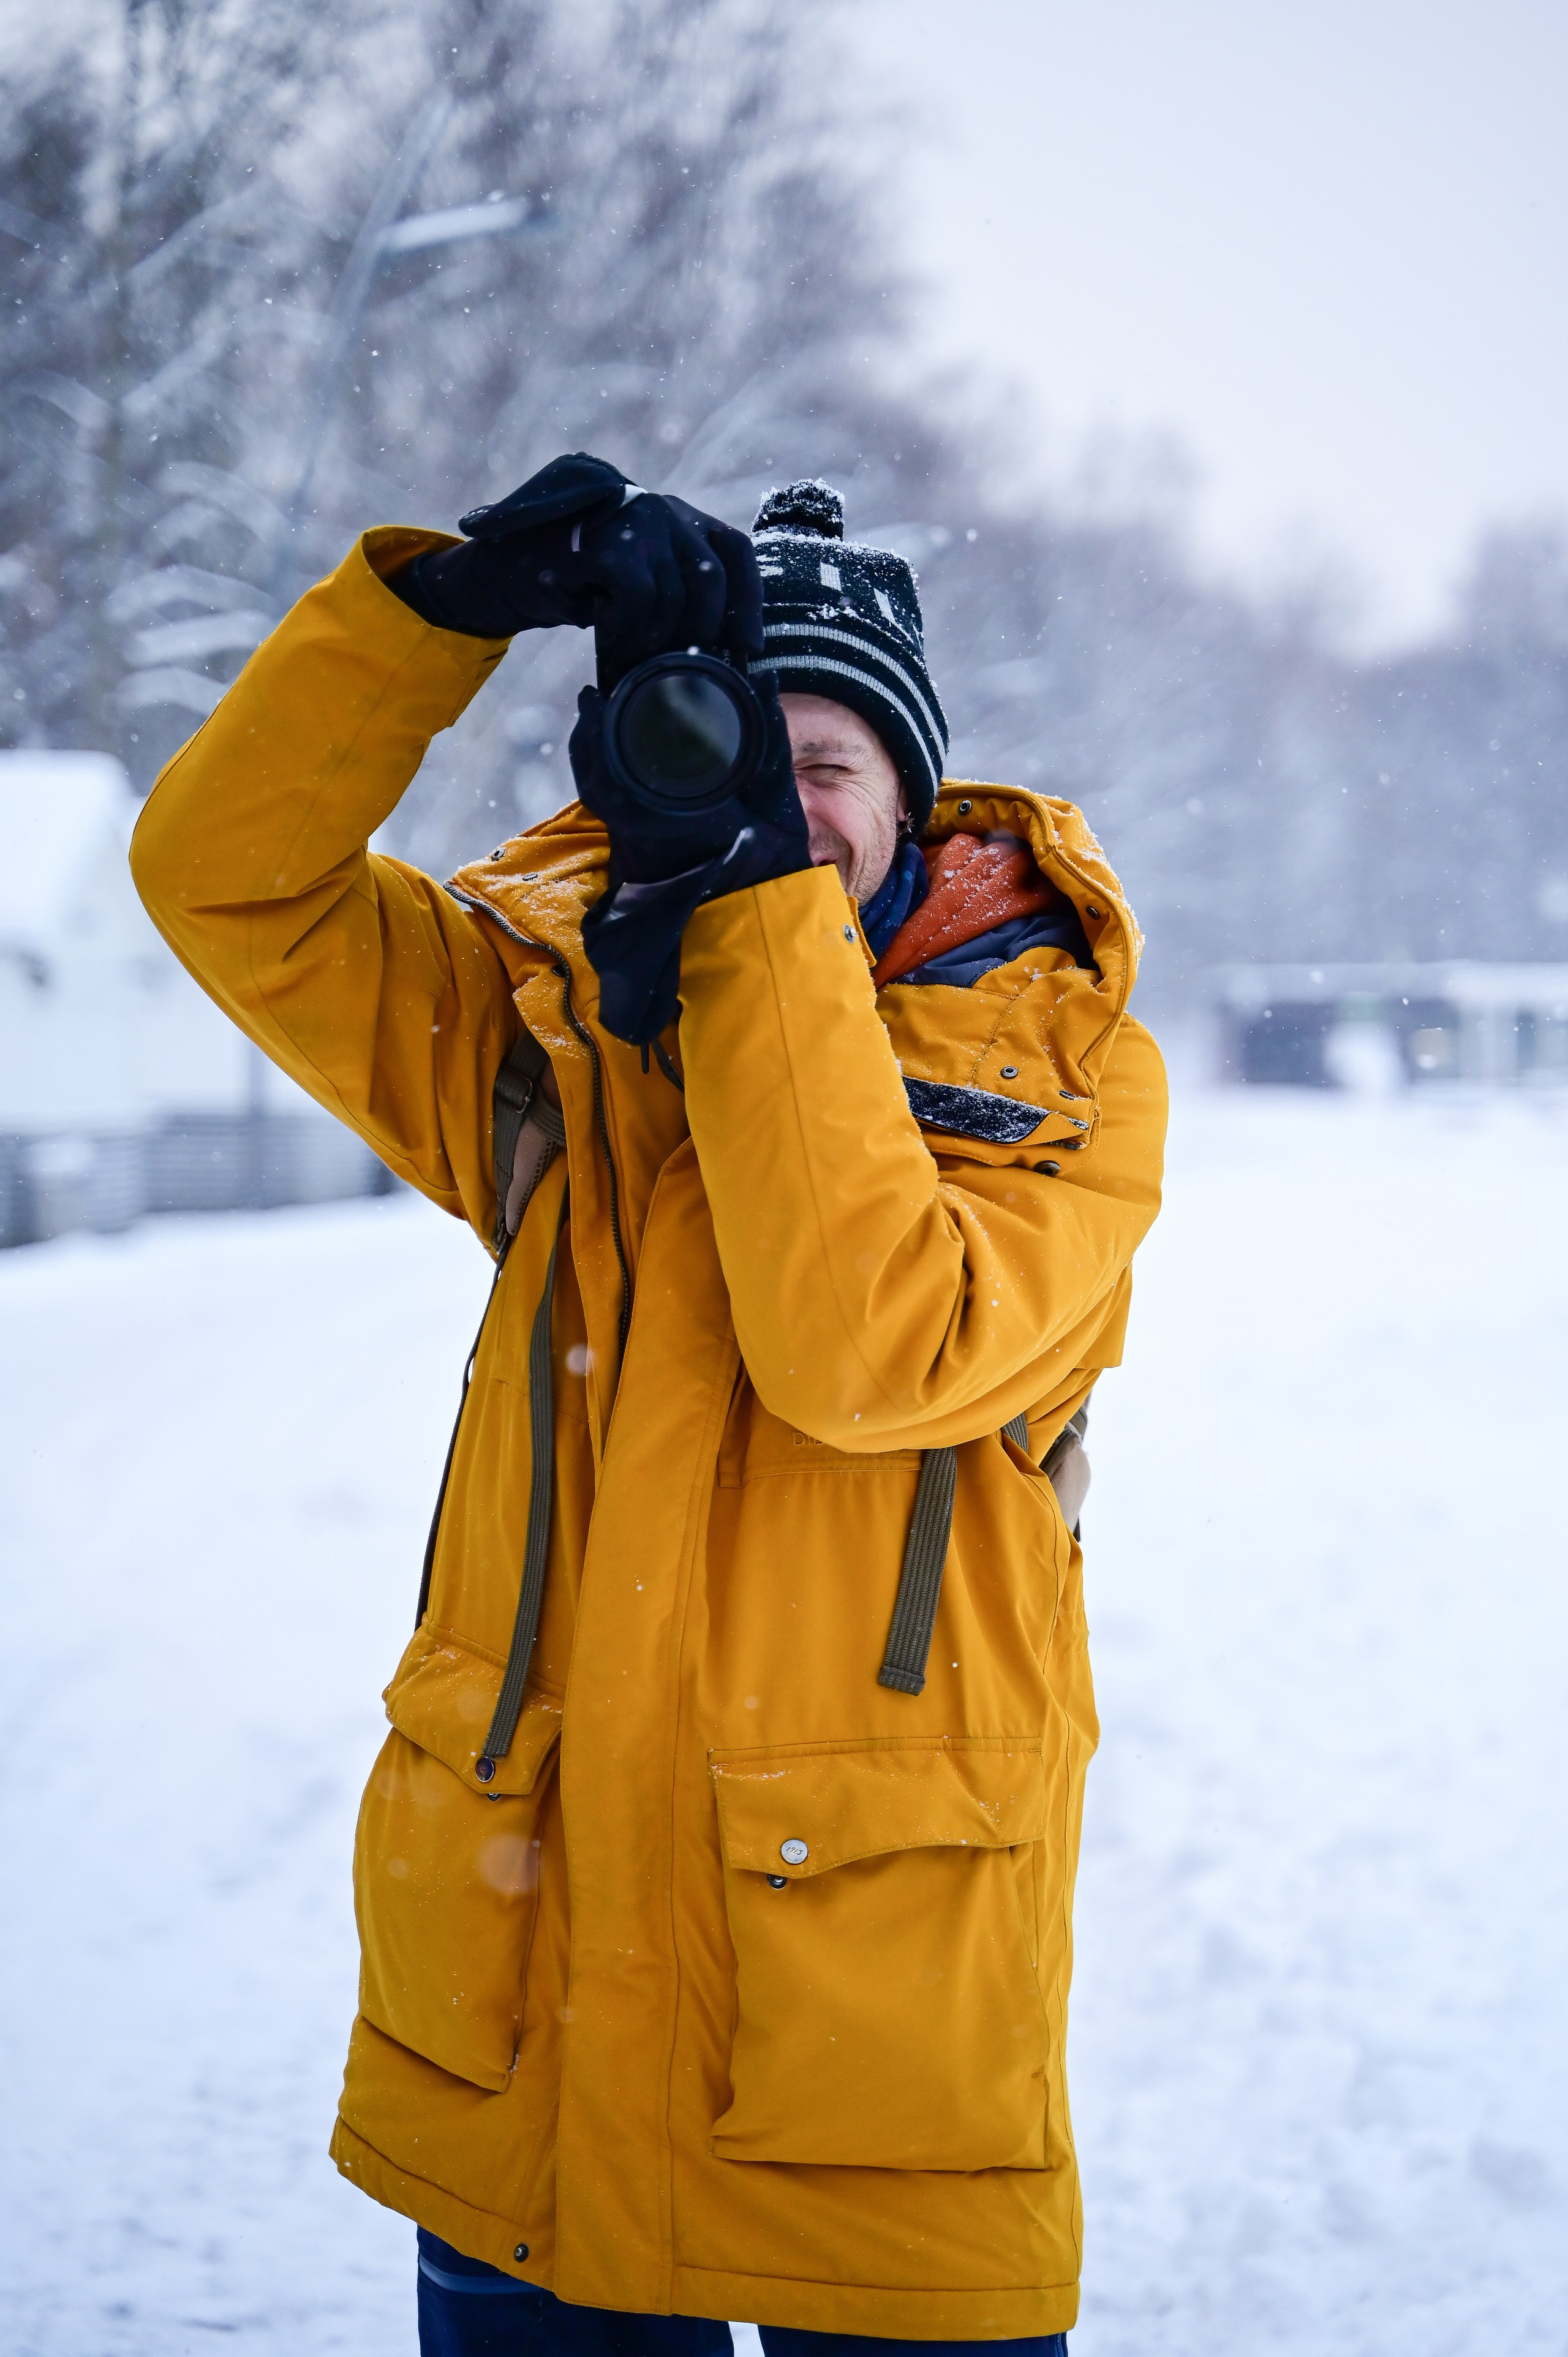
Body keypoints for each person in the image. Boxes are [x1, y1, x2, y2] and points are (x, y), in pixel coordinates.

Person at [130, 453, 1167, 2357]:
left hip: (869, 2072)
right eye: (725, 741)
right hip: (529, 2034)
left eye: (824, 765)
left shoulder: (1059, 1079)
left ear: (912, 804)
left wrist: (738, 893)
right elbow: (222, 878)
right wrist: (419, 626)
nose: (774, 794)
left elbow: (867, 1345)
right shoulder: (546, 1043)